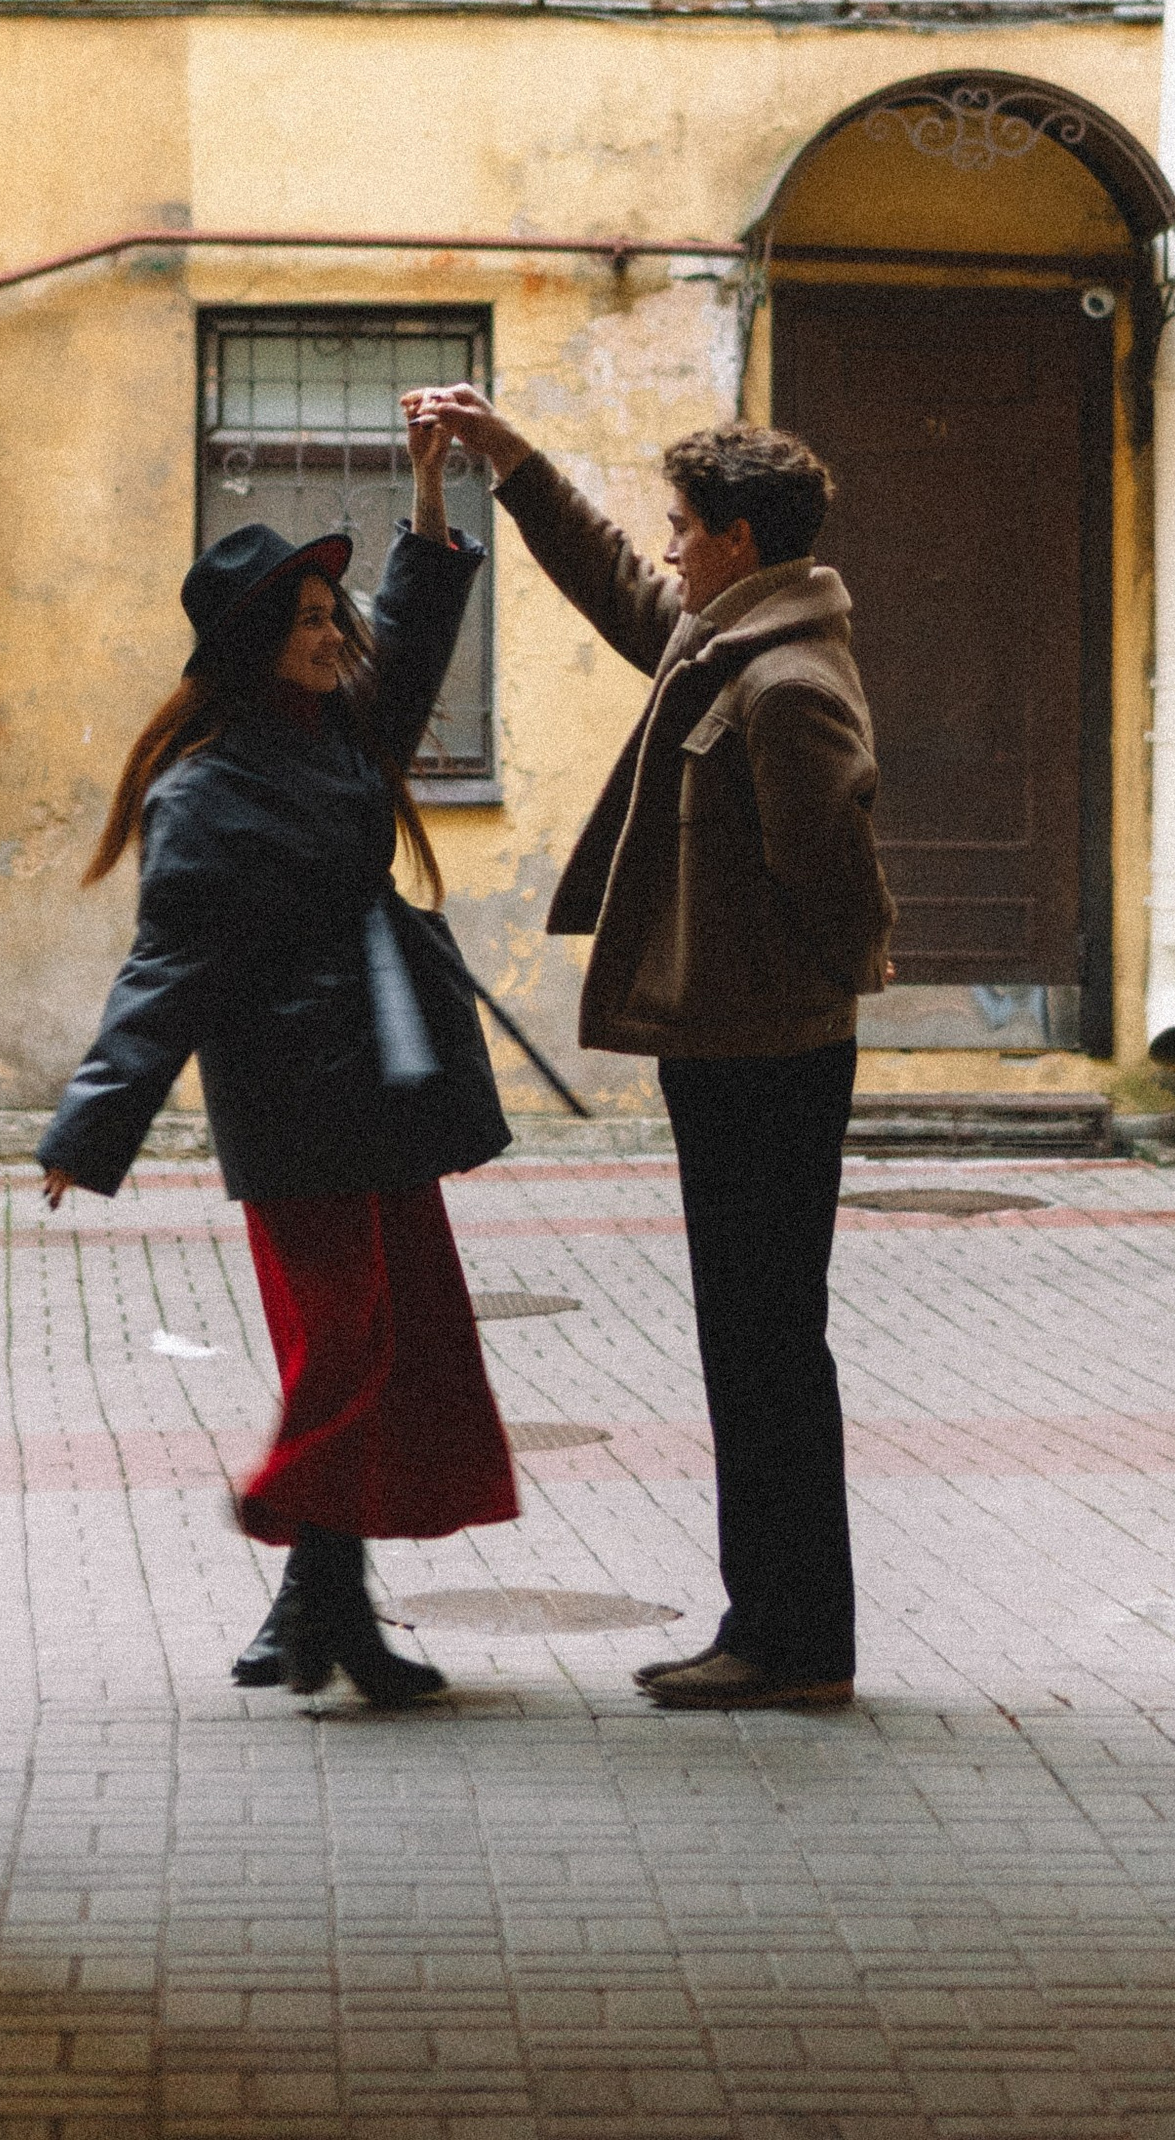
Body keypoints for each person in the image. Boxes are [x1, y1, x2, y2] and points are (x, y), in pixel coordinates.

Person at [412, 389, 894, 1710]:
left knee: (767, 1347)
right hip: (739, 1046)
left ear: (738, 538)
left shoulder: (787, 680)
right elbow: (622, 589)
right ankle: (774, 1628)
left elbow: (836, 879)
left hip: (767, 1060)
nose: (670, 548)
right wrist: (512, 465)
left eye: (685, 528)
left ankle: (793, 1644)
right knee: (749, 1341)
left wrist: (795, 993)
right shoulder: (732, 636)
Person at [37, 404, 515, 1707]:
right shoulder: (206, 789)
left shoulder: (343, 733)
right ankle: (306, 1569)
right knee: (345, 1345)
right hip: (295, 1102)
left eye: (330, 614)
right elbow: (169, 972)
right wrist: (93, 1128)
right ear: (257, 644)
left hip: (387, 1076)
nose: (332, 631)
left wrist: (428, 487)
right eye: (306, 619)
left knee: (400, 1341)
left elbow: (411, 644)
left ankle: (321, 1611)